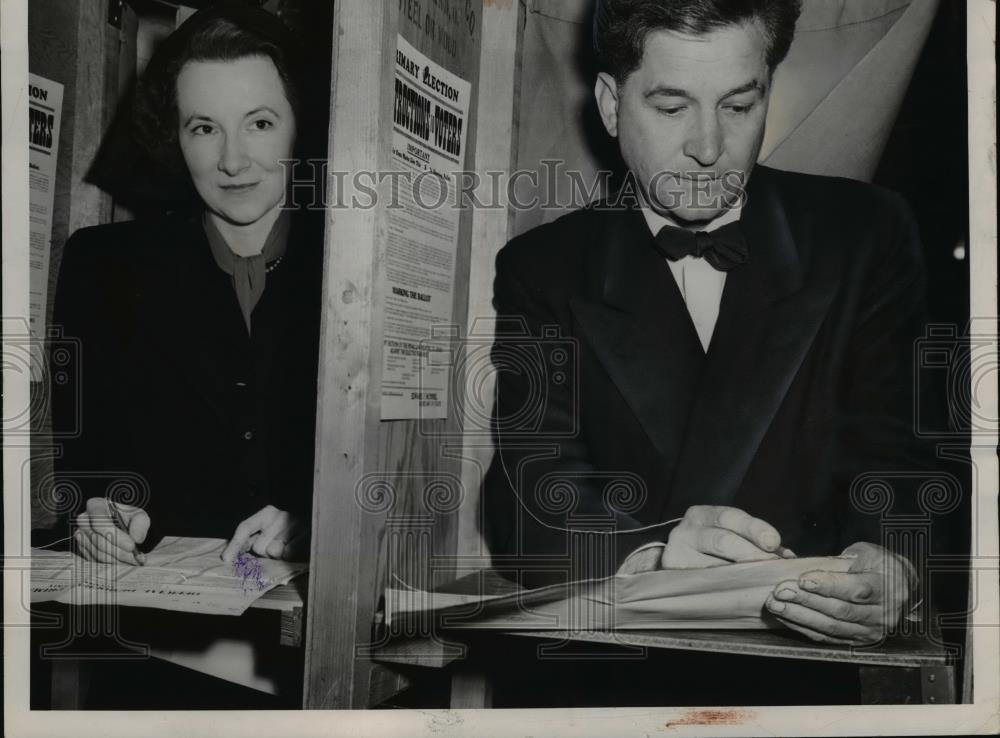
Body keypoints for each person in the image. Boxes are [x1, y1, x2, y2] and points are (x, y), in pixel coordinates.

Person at [483, 0, 930, 645]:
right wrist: (651, 558)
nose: (709, 148)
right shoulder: (544, 267)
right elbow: (529, 491)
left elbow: (904, 456)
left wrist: (893, 563)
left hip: (814, 674)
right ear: (611, 105)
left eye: (739, 106)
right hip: (614, 668)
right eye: (671, 108)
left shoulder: (866, 233)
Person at [51, 5, 323, 566]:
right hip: (161, 630)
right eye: (204, 127)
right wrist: (100, 512)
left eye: (260, 123)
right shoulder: (102, 268)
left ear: (301, 126)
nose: (232, 159)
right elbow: (85, 466)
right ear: (174, 137)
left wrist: (317, 517)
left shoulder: (351, 272)